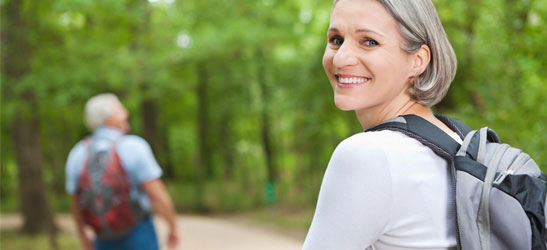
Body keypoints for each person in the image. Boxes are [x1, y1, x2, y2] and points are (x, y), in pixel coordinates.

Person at [303, 0, 461, 249]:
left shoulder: (368, 155)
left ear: (418, 60)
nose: (341, 58)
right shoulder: (457, 139)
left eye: (369, 42)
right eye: (336, 40)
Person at [65, 93, 180, 250]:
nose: (126, 113)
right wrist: (172, 226)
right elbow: (156, 194)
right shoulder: (133, 146)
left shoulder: (78, 153)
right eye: (120, 109)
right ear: (108, 118)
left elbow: (76, 203)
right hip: (138, 234)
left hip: (102, 237)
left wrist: (83, 237)